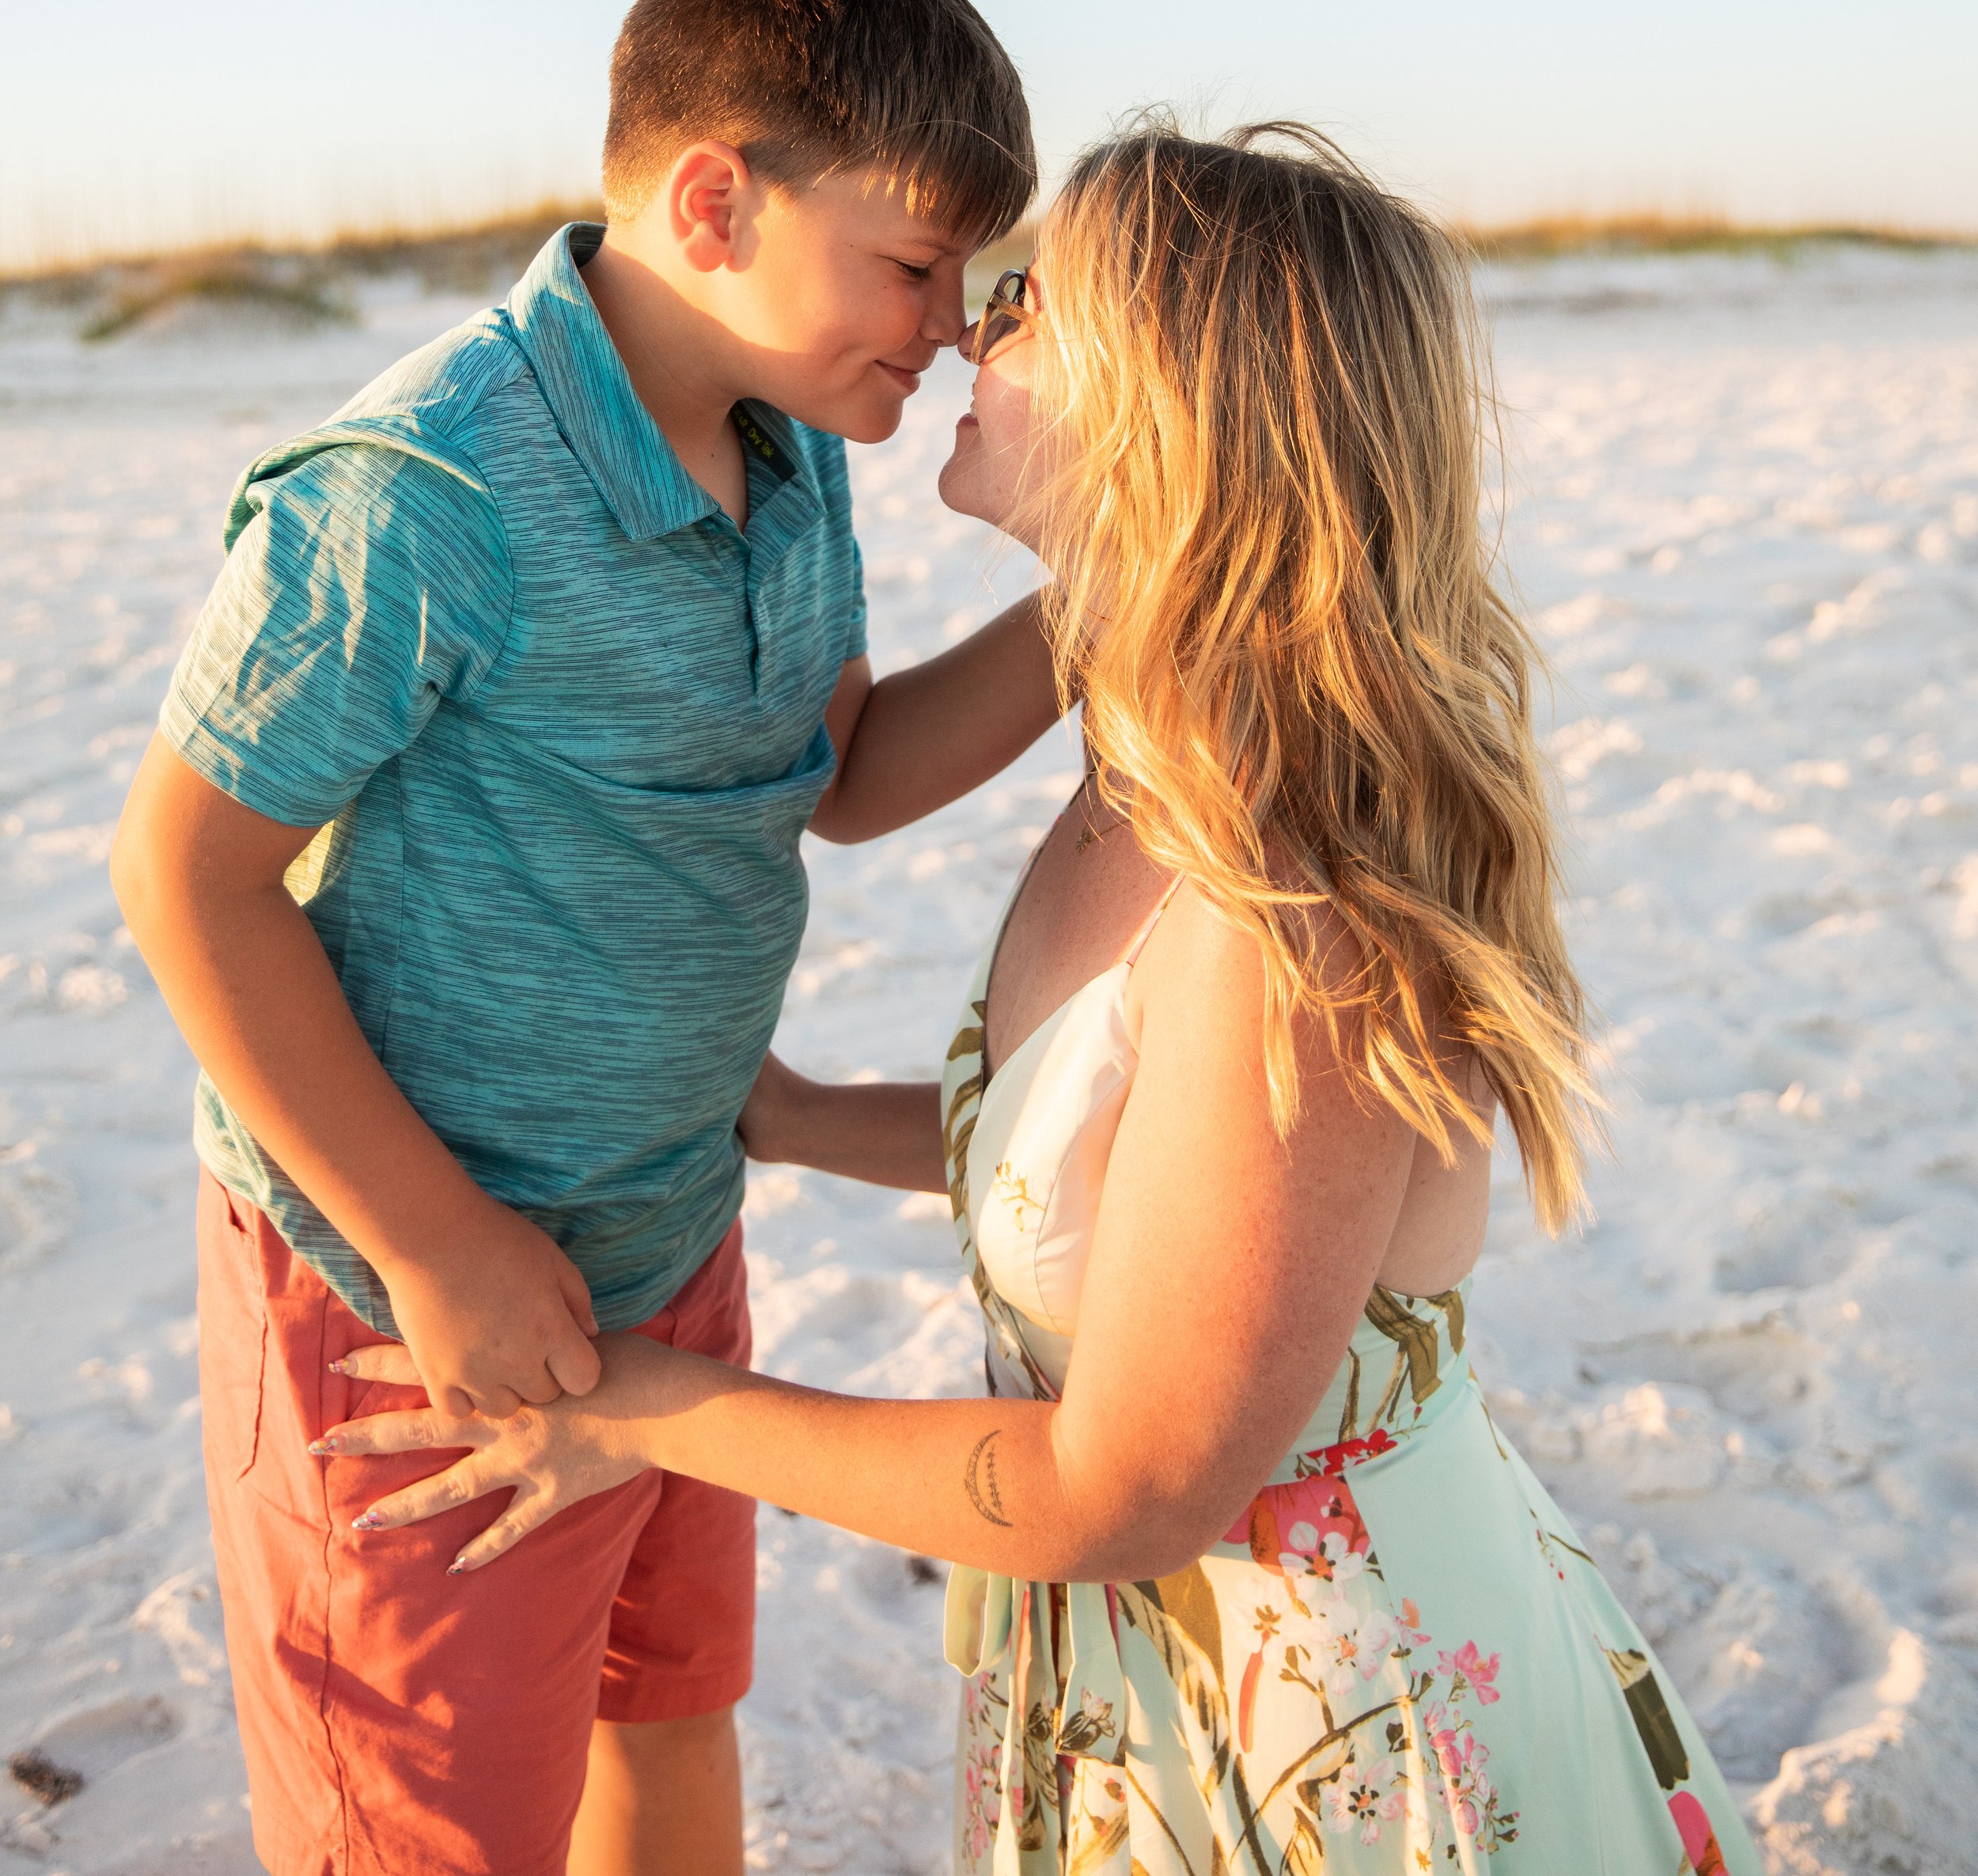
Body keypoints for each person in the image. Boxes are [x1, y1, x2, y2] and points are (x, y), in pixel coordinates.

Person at [312, 118, 1758, 1876]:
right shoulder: (1150, 752)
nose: (957, 337)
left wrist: (631, 1406)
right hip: (1163, 1682)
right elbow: (1135, 1189)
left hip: (1330, 1739)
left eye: (1021, 303)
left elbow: (1124, 1487)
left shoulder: (1277, 899)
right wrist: (778, 1115)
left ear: (1165, 399)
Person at [108, 0, 1057, 1876]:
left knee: (665, 1707)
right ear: (714, 201)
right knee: (436, 1825)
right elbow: (186, 878)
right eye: (910, 262)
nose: (955, 319)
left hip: (669, 1233)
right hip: (405, 1295)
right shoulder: (426, 490)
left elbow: (840, 779)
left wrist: (1108, 618)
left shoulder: (794, 455)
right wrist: (435, 1237)